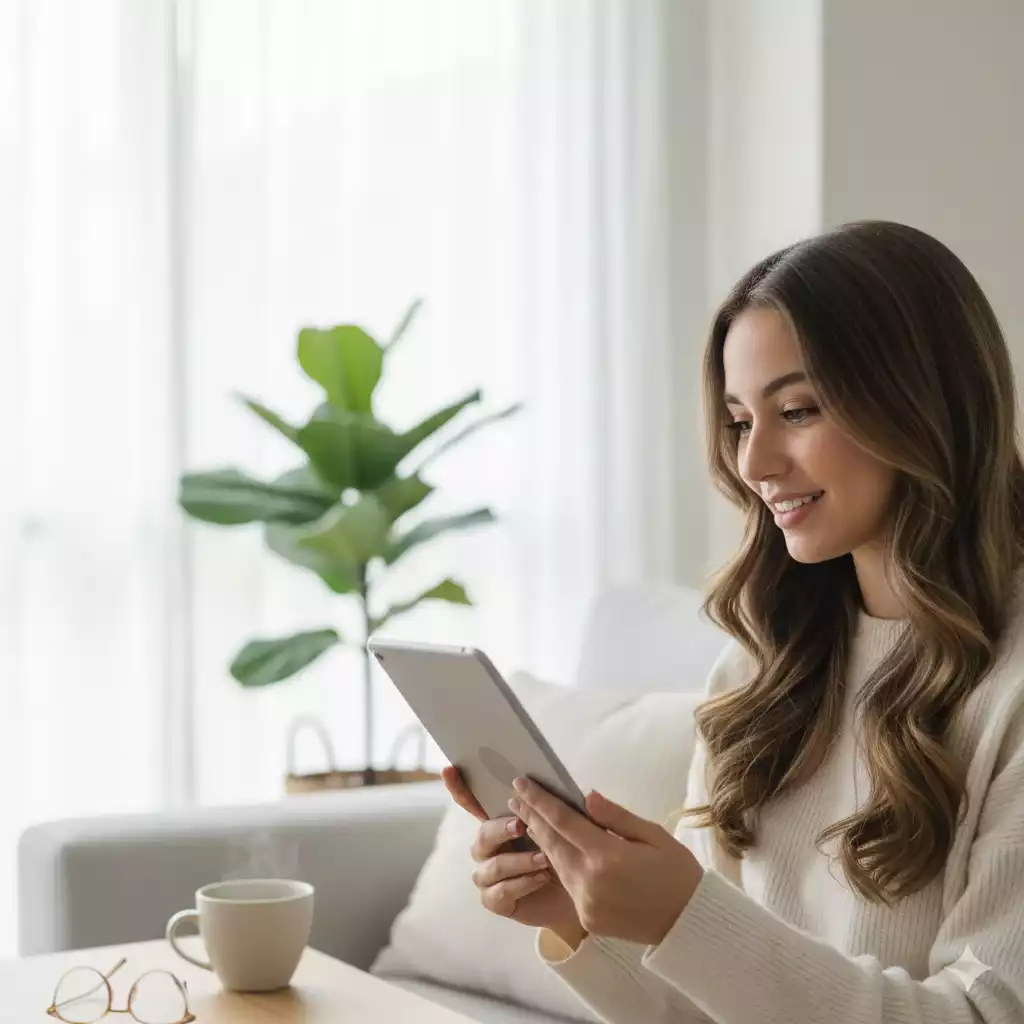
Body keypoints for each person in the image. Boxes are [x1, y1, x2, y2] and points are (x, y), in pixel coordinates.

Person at [443, 220, 1024, 1024]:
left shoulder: (1010, 690)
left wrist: (687, 918)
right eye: (742, 421)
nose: (753, 465)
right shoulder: (761, 670)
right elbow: (703, 1011)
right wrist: (579, 914)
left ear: (922, 401)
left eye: (798, 410)